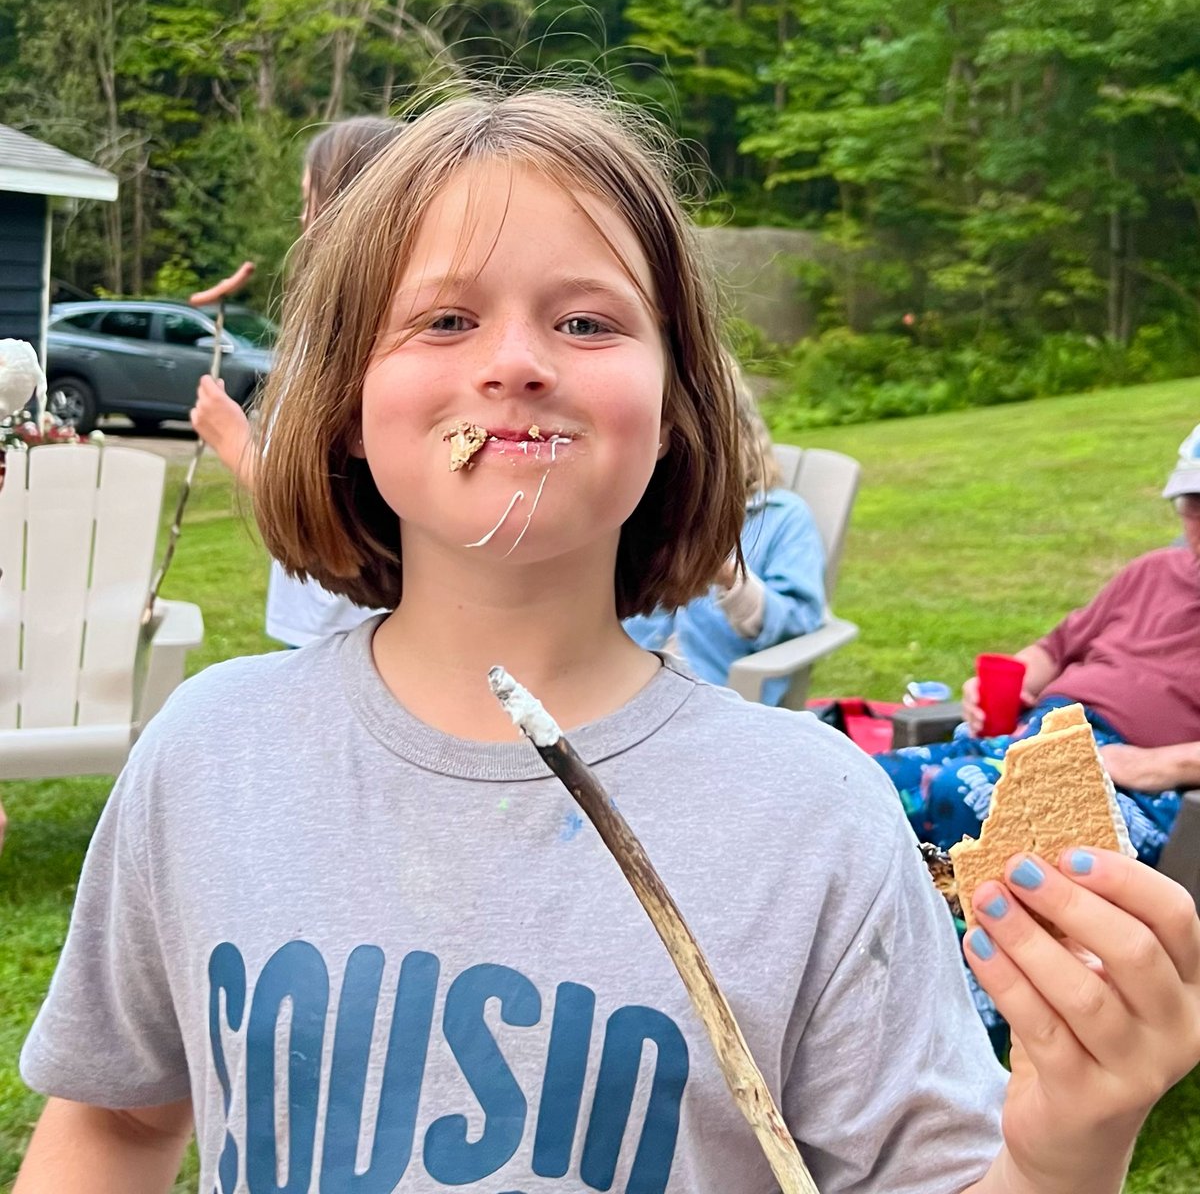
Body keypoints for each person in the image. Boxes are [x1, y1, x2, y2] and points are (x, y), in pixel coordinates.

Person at [16, 87, 1200, 1194]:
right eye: (444, 317)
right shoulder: (209, 755)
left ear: (679, 409)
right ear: (342, 401)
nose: (518, 361)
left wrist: (1058, 1156)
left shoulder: (815, 819)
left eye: (587, 320)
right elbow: (116, 1117)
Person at [876, 420, 1200, 869]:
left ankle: (959, 936)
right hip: (1029, 737)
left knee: (965, 794)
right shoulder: (1154, 571)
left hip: (1129, 788)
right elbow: (1053, 649)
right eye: (1196, 504)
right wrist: (1003, 685)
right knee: (862, 781)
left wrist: (1152, 766)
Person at [191, 115, 401, 647]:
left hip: (348, 623)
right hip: (335, 618)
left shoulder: (359, 335)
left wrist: (230, 437)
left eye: (312, 197)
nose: (303, 217)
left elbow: (318, 497)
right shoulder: (331, 323)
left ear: (350, 201)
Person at [623, 368, 825, 704]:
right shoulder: (639, 510)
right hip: (625, 688)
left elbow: (799, 623)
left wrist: (729, 574)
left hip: (718, 695)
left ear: (740, 436)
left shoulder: (782, 516)